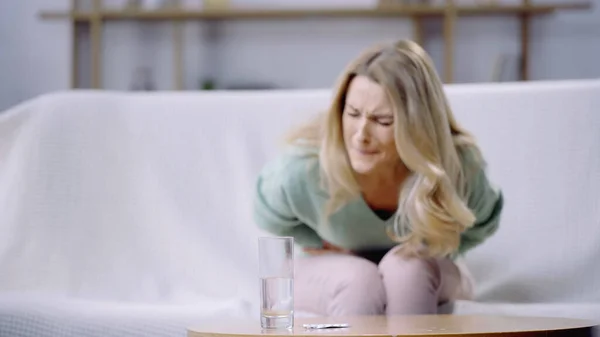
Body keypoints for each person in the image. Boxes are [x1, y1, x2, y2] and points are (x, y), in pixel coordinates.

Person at [253, 39, 503, 316]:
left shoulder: (458, 166)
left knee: (408, 271)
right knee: (358, 281)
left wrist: (441, 246)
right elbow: (267, 214)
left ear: (418, 125)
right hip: (335, 270)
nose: (361, 135)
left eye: (383, 121)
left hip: (422, 268)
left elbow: (481, 223)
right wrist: (318, 245)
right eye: (353, 113)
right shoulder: (303, 169)